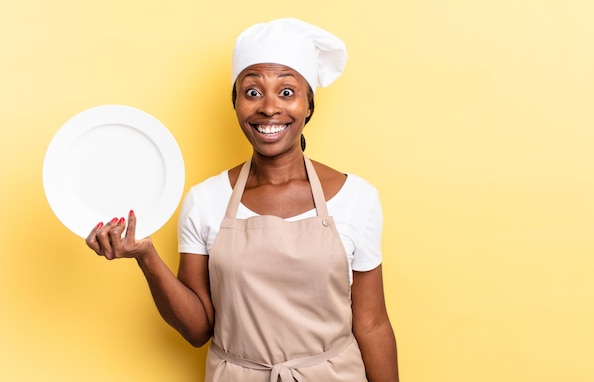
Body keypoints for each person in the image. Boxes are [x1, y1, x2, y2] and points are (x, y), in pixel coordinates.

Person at [86, 17, 399, 382]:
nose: (268, 107)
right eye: (252, 92)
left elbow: (373, 323)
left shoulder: (356, 198)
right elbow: (198, 329)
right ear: (235, 104)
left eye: (286, 92)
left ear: (308, 105)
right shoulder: (204, 201)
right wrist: (146, 257)